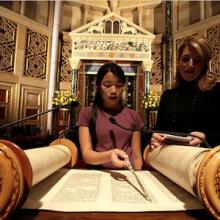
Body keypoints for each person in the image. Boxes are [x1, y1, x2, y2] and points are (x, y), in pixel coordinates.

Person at [150, 35, 220, 149]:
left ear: (204, 65)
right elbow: (159, 131)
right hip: (172, 159)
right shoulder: (168, 96)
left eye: (197, 60)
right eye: (186, 59)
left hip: (205, 160)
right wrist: (154, 138)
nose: (190, 65)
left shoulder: (216, 91)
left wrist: (205, 136)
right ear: (178, 61)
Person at [77, 62, 144, 170]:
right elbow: (86, 155)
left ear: (124, 87)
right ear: (98, 87)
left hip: (127, 173)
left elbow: (136, 156)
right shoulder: (86, 114)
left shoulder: (134, 116)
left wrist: (138, 174)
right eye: (107, 85)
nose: (113, 90)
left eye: (118, 85)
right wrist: (110, 155)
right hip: (99, 172)